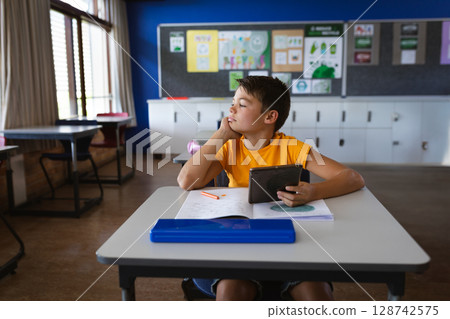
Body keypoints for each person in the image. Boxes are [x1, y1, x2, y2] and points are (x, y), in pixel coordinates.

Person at [177, 76, 365, 301]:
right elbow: (186, 181)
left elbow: (352, 178)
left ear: (270, 116)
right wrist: (220, 135)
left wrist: (315, 192)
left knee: (315, 292)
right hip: (239, 241)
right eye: (233, 101)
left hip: (287, 242)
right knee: (231, 289)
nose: (232, 108)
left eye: (242, 104)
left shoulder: (292, 147)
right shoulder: (228, 148)